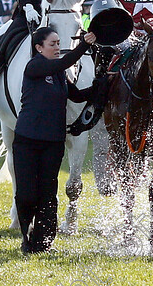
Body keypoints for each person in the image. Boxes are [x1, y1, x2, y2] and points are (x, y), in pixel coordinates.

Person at [14, 27, 97, 254]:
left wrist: (102, 86)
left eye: (59, 43)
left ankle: (44, 243)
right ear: (39, 48)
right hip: (27, 140)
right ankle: (26, 234)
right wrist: (84, 45)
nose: (58, 47)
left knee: (48, 194)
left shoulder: (59, 72)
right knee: (27, 193)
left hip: (52, 141)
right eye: (53, 44)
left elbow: (78, 95)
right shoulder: (35, 66)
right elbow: (62, 63)